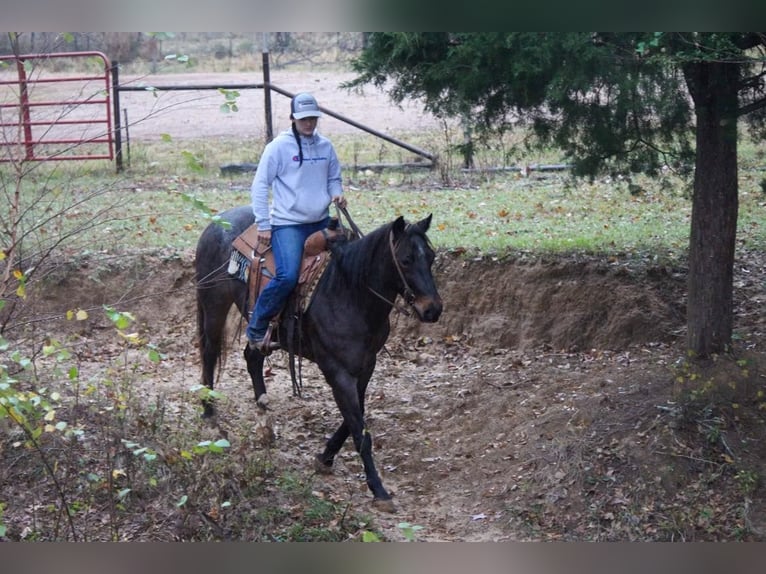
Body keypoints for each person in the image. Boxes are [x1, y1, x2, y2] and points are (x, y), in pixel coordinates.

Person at [246, 92, 346, 353]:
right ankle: (256, 326)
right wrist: (264, 224)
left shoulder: (326, 146)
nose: (309, 124)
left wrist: (337, 193)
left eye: (313, 118)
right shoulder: (278, 148)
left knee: (350, 262)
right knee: (288, 276)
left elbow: (334, 178)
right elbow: (259, 186)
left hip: (321, 220)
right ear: (292, 118)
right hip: (288, 225)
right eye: (304, 119)